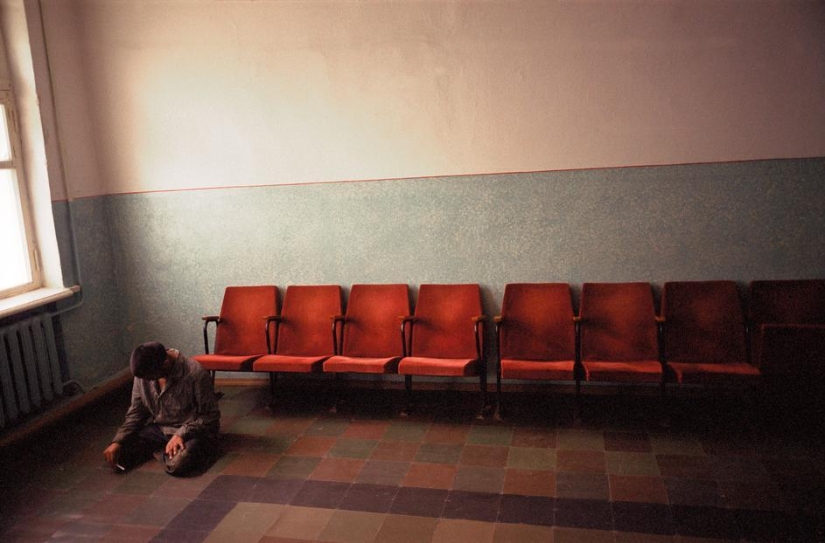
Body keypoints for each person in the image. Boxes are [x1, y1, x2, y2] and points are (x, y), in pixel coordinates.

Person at [103, 341, 221, 476]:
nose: (146, 381)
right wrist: (117, 441)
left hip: (192, 432)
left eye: (151, 377)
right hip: (160, 430)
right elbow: (136, 413)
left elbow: (210, 416)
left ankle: (170, 451)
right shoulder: (143, 374)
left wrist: (180, 434)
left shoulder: (196, 373)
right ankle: (165, 450)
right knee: (117, 453)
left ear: (165, 363)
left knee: (179, 463)